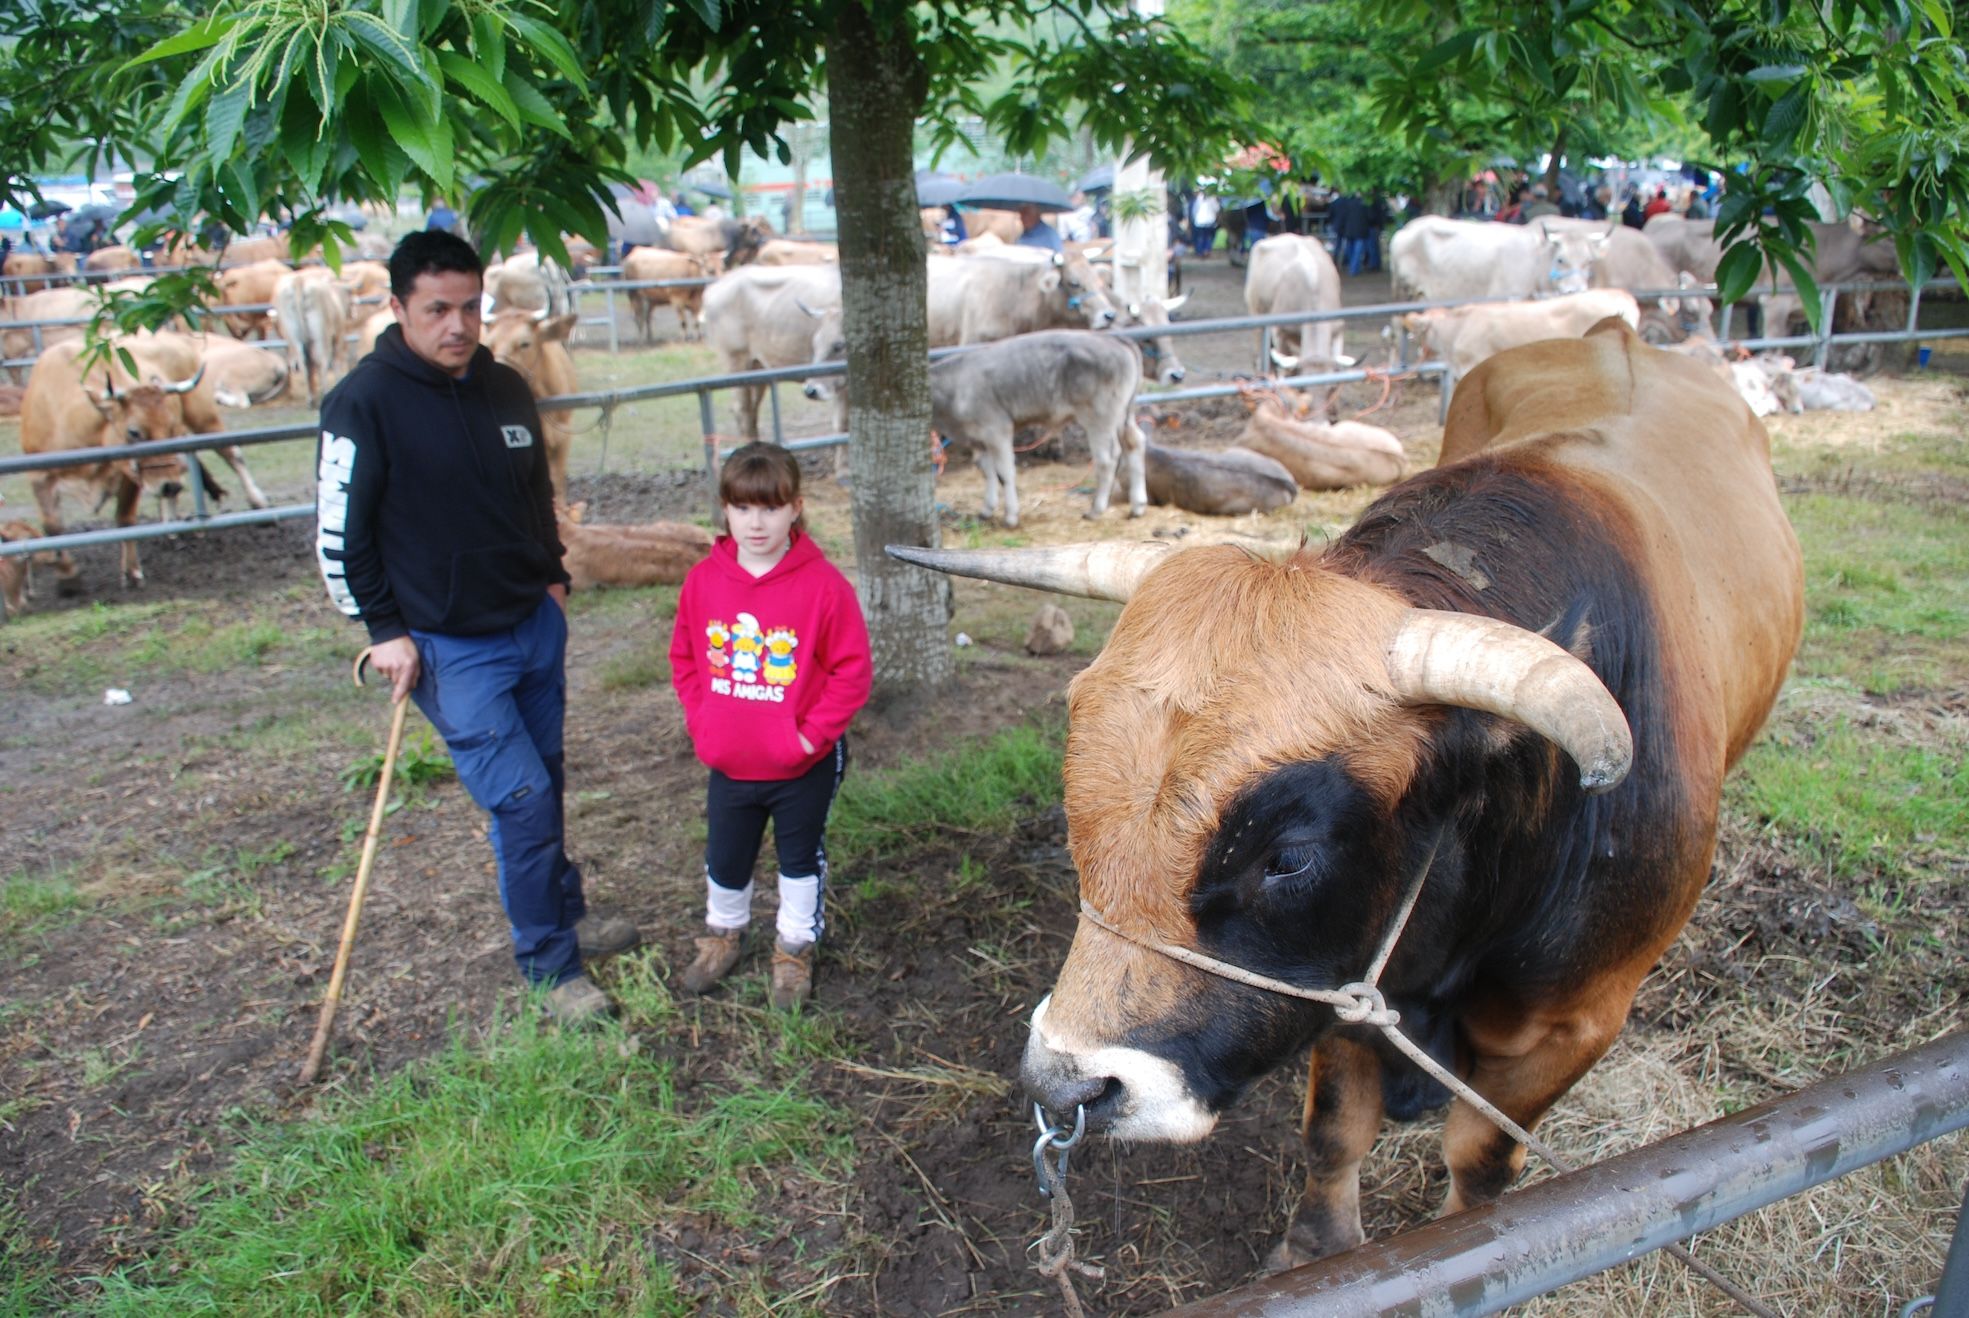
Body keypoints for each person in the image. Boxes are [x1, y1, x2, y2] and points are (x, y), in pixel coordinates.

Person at [314, 231, 639, 1026]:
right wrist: (381, 627)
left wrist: (552, 572)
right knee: (522, 799)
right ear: (397, 308)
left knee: (546, 779)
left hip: (531, 620)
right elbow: (337, 533)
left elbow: (536, 490)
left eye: (469, 308)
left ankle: (563, 910)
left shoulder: (502, 386)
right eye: (437, 310)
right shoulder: (363, 402)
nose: (457, 326)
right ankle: (551, 967)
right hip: (447, 645)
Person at [668, 444, 871, 1009]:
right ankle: (723, 936)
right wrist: (702, 721)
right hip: (729, 758)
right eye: (742, 509)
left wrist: (807, 737)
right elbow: (685, 657)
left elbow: (851, 671)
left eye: (770, 508)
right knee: (726, 855)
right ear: (726, 511)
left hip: (799, 763)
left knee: (799, 857)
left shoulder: (825, 586)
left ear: (795, 508)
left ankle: (793, 949)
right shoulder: (703, 582)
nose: (756, 523)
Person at [1189, 191, 1220, 257]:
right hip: (1209, 221)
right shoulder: (1212, 198)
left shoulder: (1199, 198)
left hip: (1200, 221)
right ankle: (1206, 250)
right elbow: (1217, 209)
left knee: (1201, 237)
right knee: (1208, 237)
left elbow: (1195, 210)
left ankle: (1200, 251)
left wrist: (1194, 218)